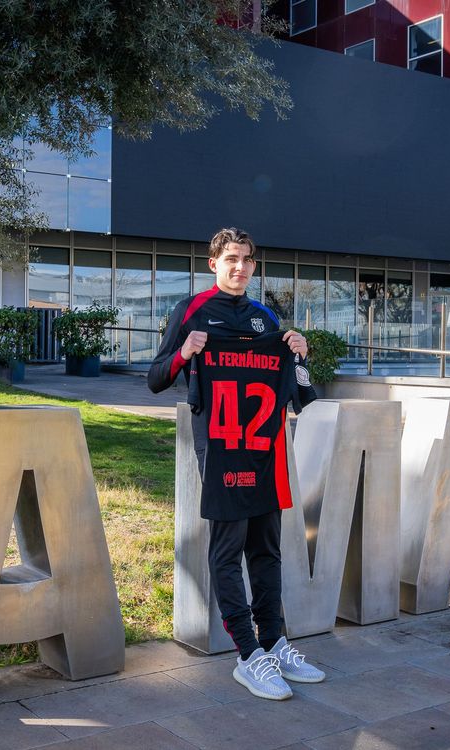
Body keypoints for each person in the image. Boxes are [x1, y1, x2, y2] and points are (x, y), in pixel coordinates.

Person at [148, 227, 325, 701]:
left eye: (247, 259)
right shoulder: (189, 312)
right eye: (231, 258)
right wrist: (186, 352)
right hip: (222, 451)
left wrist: (300, 357)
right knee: (228, 551)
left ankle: (274, 641)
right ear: (213, 263)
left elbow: (305, 394)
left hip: (265, 451)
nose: (240, 267)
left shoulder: (266, 318)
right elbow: (155, 379)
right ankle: (248, 656)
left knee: (266, 550)